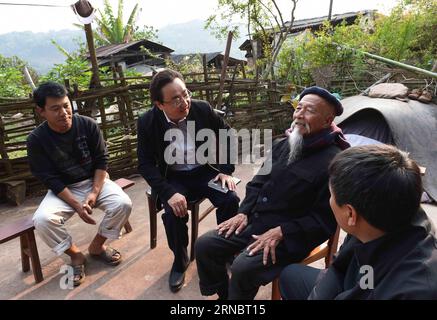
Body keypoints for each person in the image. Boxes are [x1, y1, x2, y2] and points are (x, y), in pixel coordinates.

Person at [195, 86, 350, 299]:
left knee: (242, 268)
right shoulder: (283, 144)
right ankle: (225, 296)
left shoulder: (334, 162)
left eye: (310, 111)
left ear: (327, 121)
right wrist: (244, 212)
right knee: (205, 245)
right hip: (257, 220)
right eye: (298, 108)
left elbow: (325, 221)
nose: (299, 115)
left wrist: (283, 231)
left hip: (291, 237)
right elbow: (257, 182)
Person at [279, 144, 437, 300]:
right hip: (359, 283)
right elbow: (340, 266)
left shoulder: (415, 291)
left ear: (350, 213)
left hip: (370, 288)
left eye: (331, 195)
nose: (329, 201)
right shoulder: (384, 211)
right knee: (290, 276)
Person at [137, 69, 240, 293]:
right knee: (173, 214)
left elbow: (227, 135)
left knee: (230, 198)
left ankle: (226, 250)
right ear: (159, 104)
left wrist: (225, 170)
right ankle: (180, 259)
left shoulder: (201, 108)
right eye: (175, 99)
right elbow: (144, 164)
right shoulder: (147, 122)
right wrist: (167, 192)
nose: (184, 102)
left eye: (185, 94)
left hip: (205, 171)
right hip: (172, 177)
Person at [28, 82, 132, 287]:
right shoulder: (36, 140)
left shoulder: (87, 124)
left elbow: (102, 160)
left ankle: (97, 246)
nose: (64, 113)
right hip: (62, 190)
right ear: (41, 111)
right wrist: (76, 204)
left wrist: (94, 192)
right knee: (42, 219)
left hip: (95, 180)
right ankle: (75, 255)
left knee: (123, 203)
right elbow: (49, 178)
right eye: (55, 108)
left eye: (66, 105)